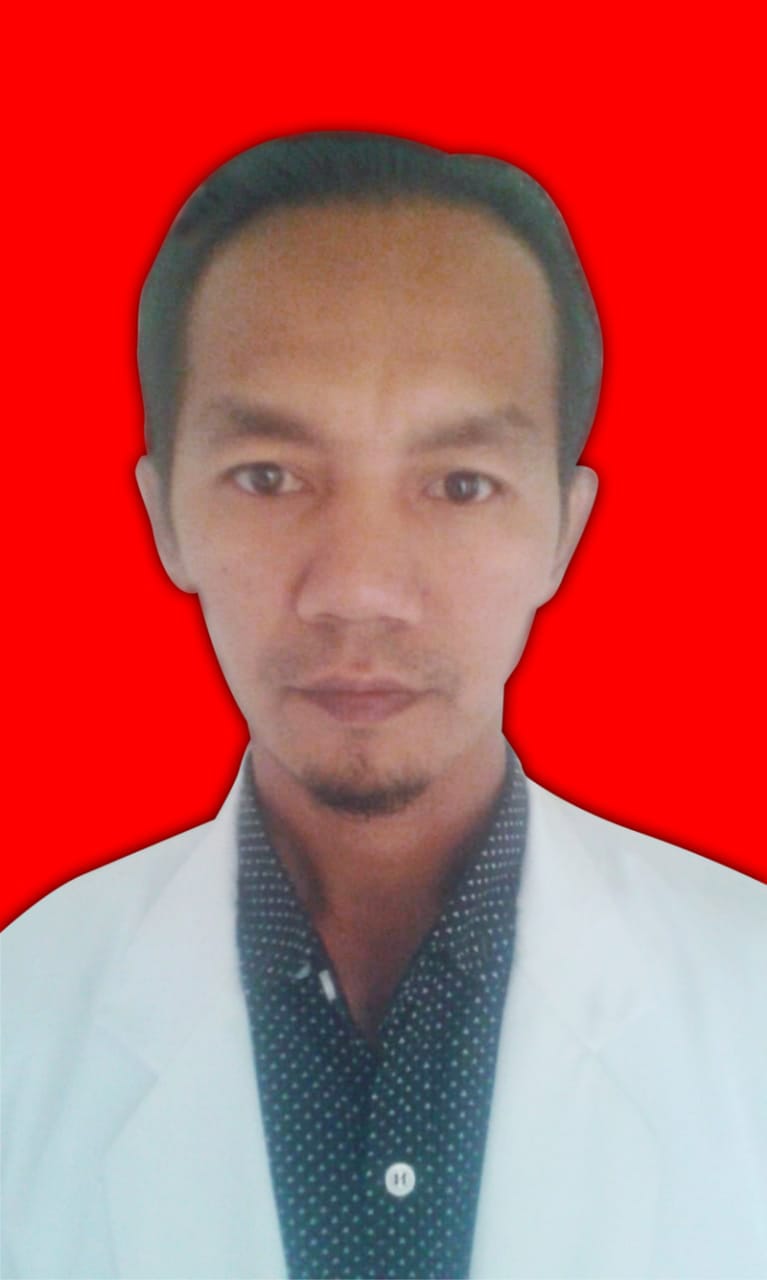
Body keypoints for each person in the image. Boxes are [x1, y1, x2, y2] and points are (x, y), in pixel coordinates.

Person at [2, 133, 765, 1280]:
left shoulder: (749, 994)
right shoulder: (21, 1016)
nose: (358, 585)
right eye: (269, 475)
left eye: (459, 483)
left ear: (562, 531)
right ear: (165, 516)